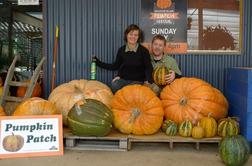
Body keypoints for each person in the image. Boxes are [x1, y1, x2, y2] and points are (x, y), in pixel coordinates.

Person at [94, 24, 153, 93]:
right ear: (126, 35)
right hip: (124, 80)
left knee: (132, 89)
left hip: (138, 81)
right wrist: (97, 62)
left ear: (138, 37)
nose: (133, 37)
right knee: (114, 84)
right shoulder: (121, 50)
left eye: (135, 35)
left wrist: (148, 80)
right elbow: (115, 66)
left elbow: (148, 67)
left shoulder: (143, 51)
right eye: (131, 34)